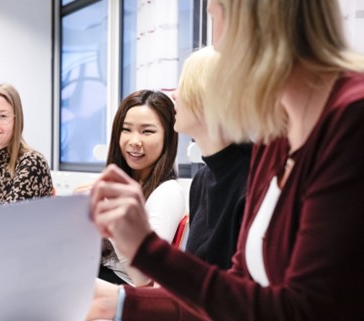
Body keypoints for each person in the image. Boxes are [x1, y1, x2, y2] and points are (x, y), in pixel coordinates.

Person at [89, 0, 364, 320]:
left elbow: (303, 308)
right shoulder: (275, 135)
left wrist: (145, 249)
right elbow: (239, 290)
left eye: (215, 17)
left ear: (252, 22)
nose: (216, 43)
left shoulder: (351, 119)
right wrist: (121, 302)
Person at [86, 46, 252, 320]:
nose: (173, 95)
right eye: (126, 129)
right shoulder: (203, 178)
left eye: (183, 87)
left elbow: (233, 297)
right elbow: (195, 282)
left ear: (210, 101)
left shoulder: (250, 182)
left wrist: (122, 300)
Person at [94, 89, 185, 287]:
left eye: (147, 131)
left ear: (168, 137)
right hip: (99, 274)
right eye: (126, 129)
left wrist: (113, 223)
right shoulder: (123, 183)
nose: (134, 141)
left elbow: (146, 277)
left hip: (123, 291)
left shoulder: (167, 193)